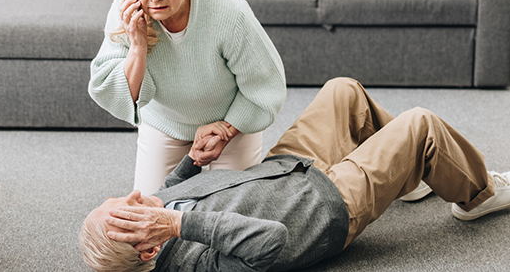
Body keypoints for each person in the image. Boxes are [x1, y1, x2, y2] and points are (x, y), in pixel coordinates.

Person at [79, 77, 510, 272]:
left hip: (285, 165)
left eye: (122, 199)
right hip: (329, 203)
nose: (137, 197)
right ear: (151, 250)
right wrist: (178, 222)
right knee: (421, 125)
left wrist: (193, 159)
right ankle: (478, 195)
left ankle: (409, 176)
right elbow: (272, 241)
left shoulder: (158, 213)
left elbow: (172, 189)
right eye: (132, 210)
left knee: (344, 91)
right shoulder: (197, 263)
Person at [88, 0, 286, 195]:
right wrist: (137, 46)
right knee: (150, 216)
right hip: (165, 121)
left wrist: (227, 131)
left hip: (229, 121)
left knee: (233, 213)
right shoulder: (124, 11)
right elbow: (116, 92)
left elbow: (265, 85)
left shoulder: (228, 10)